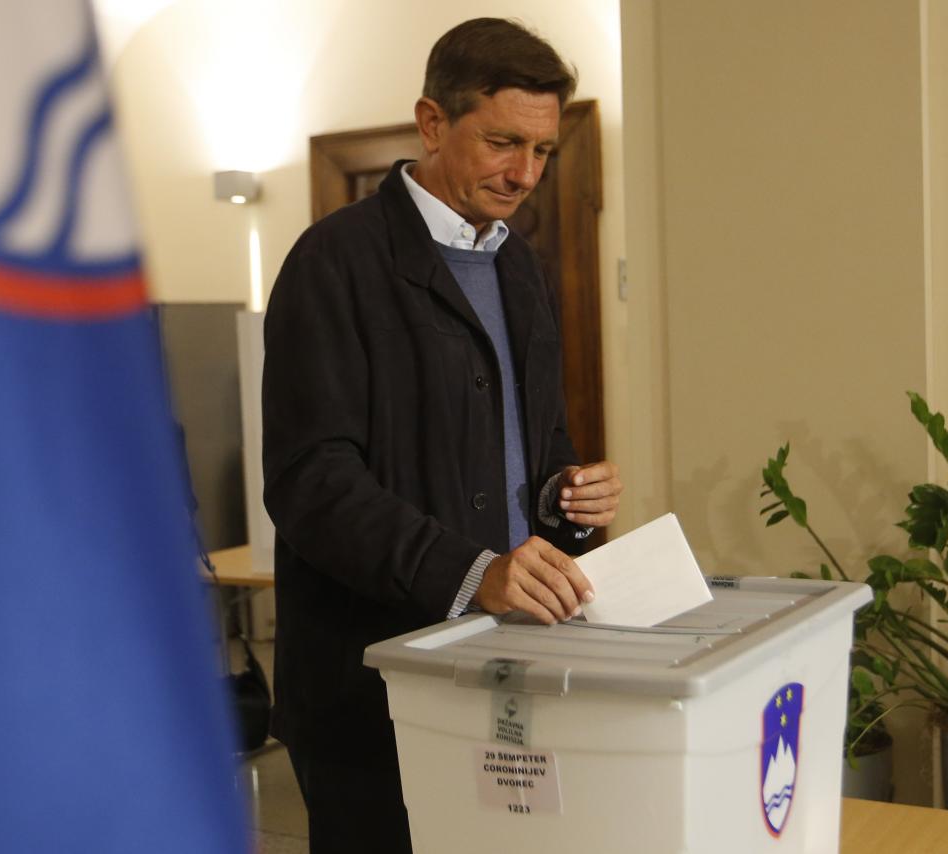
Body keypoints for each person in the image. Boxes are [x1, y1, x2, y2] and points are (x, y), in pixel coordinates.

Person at [261, 17, 622, 853]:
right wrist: (474, 572)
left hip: (495, 676)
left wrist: (568, 497)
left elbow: (539, 448)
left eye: (542, 152)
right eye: (502, 143)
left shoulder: (519, 267)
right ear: (431, 123)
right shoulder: (333, 261)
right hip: (367, 692)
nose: (524, 174)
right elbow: (312, 481)